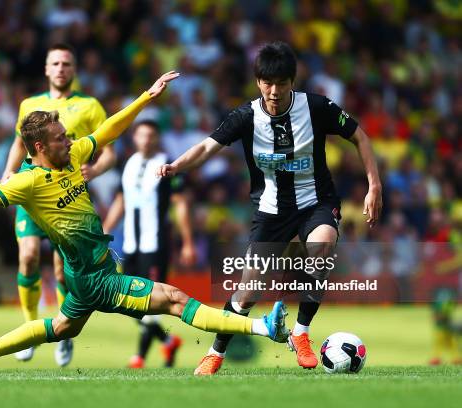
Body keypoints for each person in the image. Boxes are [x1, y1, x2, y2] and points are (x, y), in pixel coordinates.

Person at [0, 72, 289, 377]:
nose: (69, 140)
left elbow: (106, 130)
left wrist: (146, 97)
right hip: (93, 276)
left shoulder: (71, 155)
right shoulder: (28, 182)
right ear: (40, 147)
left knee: (61, 327)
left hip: (87, 272)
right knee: (175, 299)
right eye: (60, 137)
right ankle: (263, 326)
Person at [156, 42, 382, 374]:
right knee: (247, 292)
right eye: (267, 82)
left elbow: (360, 136)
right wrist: (176, 165)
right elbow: (207, 146)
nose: (274, 91)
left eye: (281, 83)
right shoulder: (245, 116)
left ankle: (301, 333)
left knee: (321, 246)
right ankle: (216, 353)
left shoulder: (317, 107)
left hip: (316, 202)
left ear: (293, 81)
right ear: (258, 81)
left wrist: (373, 185)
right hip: (270, 210)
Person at [0, 43, 115, 365]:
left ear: (73, 70)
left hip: (67, 198)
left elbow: (109, 150)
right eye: (56, 63)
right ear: (47, 69)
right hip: (35, 193)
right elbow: (18, 144)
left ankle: (63, 334)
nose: (61, 68)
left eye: (66, 63)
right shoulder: (29, 104)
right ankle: (29, 328)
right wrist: (9, 171)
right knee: (28, 257)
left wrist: (96, 168)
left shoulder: (90, 105)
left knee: (62, 271)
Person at [102, 120, 196, 368]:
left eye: (150, 135)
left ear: (157, 138)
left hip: (156, 245)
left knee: (150, 300)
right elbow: (120, 201)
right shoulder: (128, 163)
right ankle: (167, 342)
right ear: (135, 137)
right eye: (141, 135)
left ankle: (140, 357)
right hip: (130, 244)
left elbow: (180, 203)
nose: (145, 140)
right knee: (126, 300)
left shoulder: (168, 164)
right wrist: (105, 231)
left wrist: (187, 242)